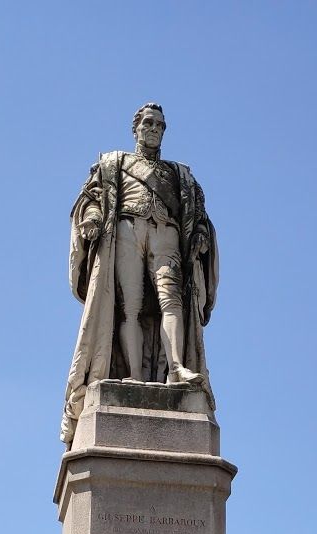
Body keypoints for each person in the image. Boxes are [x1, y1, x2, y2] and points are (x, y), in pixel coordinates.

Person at [61, 102, 219, 444]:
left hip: (167, 232)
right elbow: (92, 197)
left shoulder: (179, 174)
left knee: (171, 301)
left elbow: (198, 213)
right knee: (128, 306)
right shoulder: (113, 163)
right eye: (148, 123)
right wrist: (91, 217)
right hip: (127, 229)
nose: (153, 129)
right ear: (135, 128)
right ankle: (132, 375)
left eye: (160, 125)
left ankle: (177, 367)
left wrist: (202, 235)